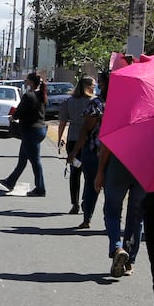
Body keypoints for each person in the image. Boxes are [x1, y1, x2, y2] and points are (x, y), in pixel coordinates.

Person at [95, 144, 146, 278]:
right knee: (136, 216)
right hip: (144, 166)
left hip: (118, 163)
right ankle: (129, 261)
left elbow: (106, 145)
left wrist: (100, 171)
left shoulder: (118, 121)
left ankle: (117, 247)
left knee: (112, 211)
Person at [0, 72, 48, 197]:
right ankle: (10, 181)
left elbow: (19, 112)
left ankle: (40, 188)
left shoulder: (29, 96)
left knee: (35, 161)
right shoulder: (41, 96)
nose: (25, 83)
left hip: (31, 131)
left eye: (27, 81)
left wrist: (12, 117)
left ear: (31, 82)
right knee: (23, 159)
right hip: (39, 129)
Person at [70, 73, 109, 230]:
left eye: (100, 83)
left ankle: (87, 218)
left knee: (92, 185)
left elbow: (86, 129)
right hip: (115, 154)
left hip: (94, 151)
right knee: (112, 190)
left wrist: (75, 151)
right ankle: (111, 222)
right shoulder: (121, 104)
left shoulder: (97, 104)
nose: (98, 86)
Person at [57, 77, 95, 215]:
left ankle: (75, 202)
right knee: (89, 173)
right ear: (87, 86)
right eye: (93, 85)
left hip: (73, 140)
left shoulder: (69, 102)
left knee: (75, 172)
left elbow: (62, 122)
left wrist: (60, 137)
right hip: (89, 141)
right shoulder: (92, 102)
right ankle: (85, 200)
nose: (94, 88)